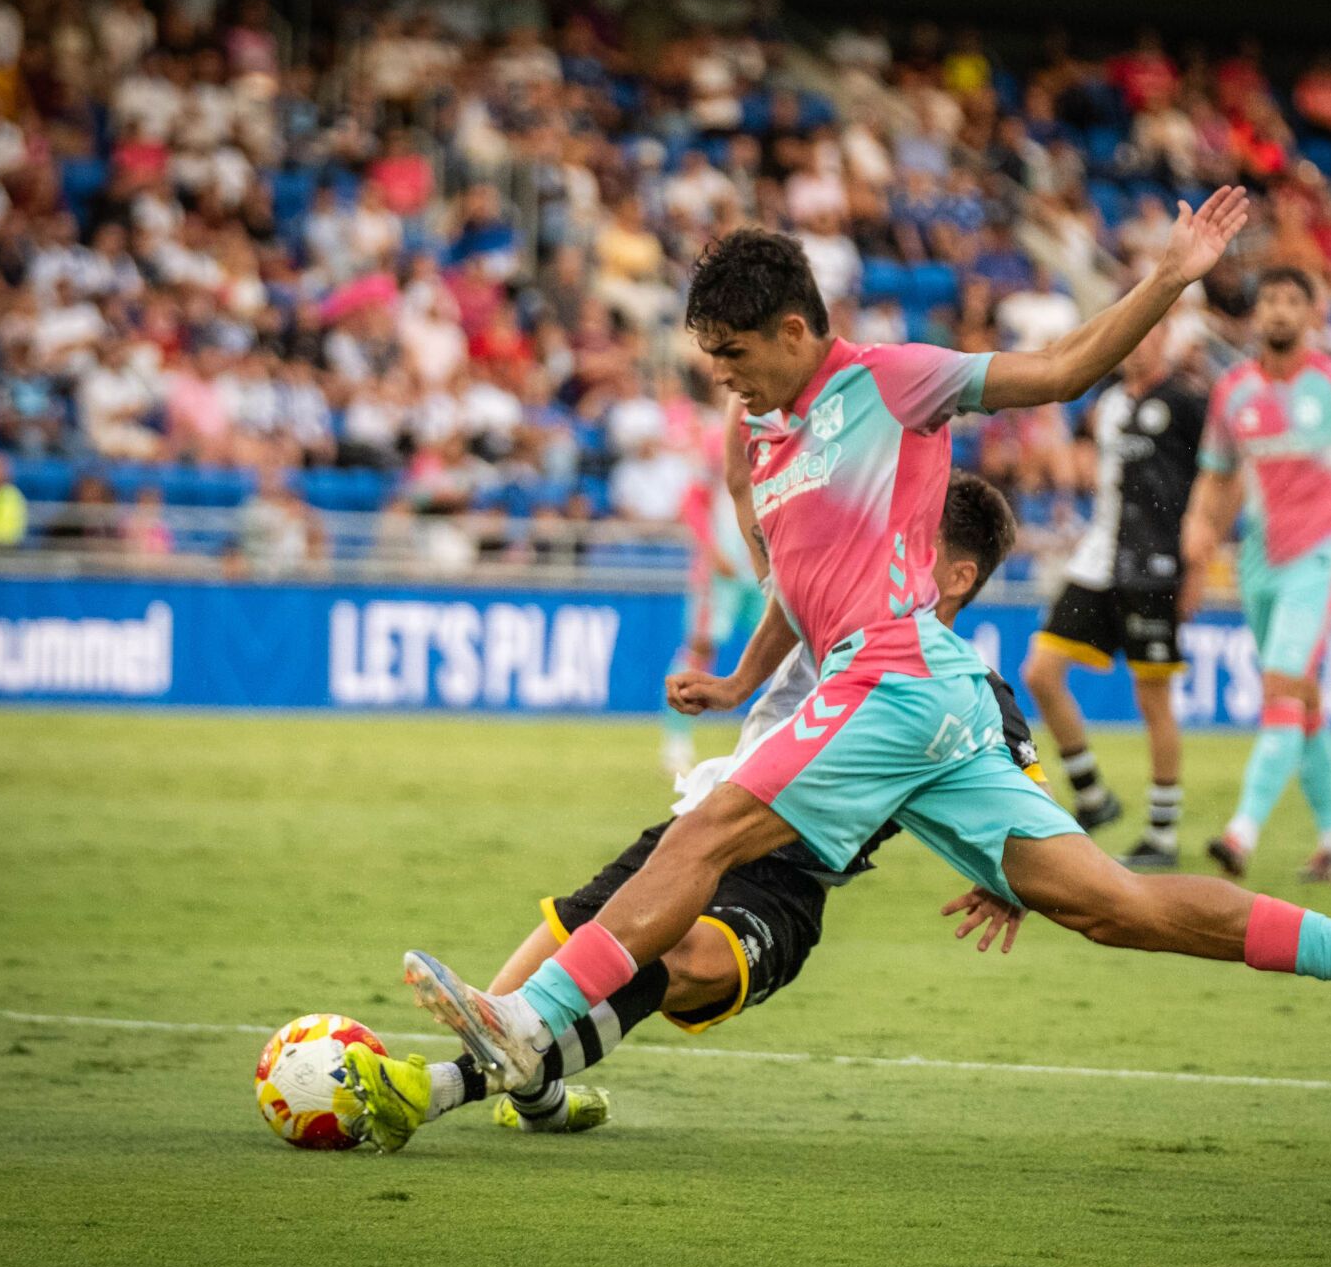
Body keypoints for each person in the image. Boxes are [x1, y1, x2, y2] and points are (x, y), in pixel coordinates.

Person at [399, 199, 1331, 1114]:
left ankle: (528, 1023)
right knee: (1108, 905)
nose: (722, 379)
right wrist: (737, 680)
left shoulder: (892, 381)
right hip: (924, 694)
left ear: (788, 328)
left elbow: (1056, 372)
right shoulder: (768, 440)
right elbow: (800, 588)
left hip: (894, 675)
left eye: (732, 356)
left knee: (710, 827)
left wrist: (1168, 281)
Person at [342, 474, 1035, 1150]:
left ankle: (432, 1089)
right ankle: (540, 1097)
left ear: (958, 578)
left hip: (784, 884)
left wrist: (1012, 880)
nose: (891, 545)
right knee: (504, 998)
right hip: (699, 829)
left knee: (674, 954)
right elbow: (744, 486)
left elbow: (1031, 810)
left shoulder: (972, 692)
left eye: (916, 539)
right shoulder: (834, 600)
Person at [1179, 266, 1331, 885]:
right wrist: (1198, 537)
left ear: (1313, 314)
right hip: (1259, 563)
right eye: (1269, 300)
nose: (1279, 310)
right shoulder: (1232, 392)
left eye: (1292, 300)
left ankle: (1240, 833)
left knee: (1281, 686)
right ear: (1255, 316)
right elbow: (1218, 476)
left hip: (1321, 556)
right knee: (1300, 698)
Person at [1021, 319, 1206, 868]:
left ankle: (1162, 835)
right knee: (1040, 672)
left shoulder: (1186, 403)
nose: (1137, 342)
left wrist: (1195, 566)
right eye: (1131, 331)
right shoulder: (1106, 404)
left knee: (1153, 701)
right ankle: (1093, 796)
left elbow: (1219, 478)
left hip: (1154, 568)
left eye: (1146, 332)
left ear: (1163, 340)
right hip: (1098, 557)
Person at [662, 411, 769, 776]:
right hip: (720, 570)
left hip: (765, 568)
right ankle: (676, 743)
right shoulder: (716, 439)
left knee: (780, 651)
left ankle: (774, 741)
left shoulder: (780, 431)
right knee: (701, 648)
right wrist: (711, 551)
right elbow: (692, 502)